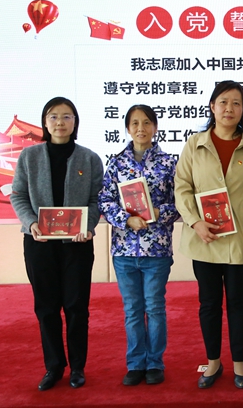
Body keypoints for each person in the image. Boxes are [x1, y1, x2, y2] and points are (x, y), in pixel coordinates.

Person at [175, 81, 243, 390]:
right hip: (204, 239)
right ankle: (213, 361)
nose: (229, 108)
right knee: (209, 303)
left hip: (240, 239)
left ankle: (240, 362)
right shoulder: (195, 144)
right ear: (212, 107)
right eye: (223, 102)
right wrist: (195, 222)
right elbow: (182, 187)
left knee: (239, 302)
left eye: (236, 103)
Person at [10, 97, 103, 391]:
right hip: (39, 243)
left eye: (66, 116)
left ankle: (77, 367)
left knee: (77, 307)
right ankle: (53, 367)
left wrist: (87, 227)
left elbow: (96, 200)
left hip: (77, 244)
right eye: (53, 116)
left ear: (75, 122)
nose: (60, 122)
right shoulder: (29, 157)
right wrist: (31, 223)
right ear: (45, 122)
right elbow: (18, 195)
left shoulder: (89, 158)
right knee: (46, 307)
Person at [98, 105, 179, 386]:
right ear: (127, 128)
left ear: (155, 127)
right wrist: (126, 219)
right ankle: (135, 364)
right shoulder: (116, 163)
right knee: (132, 309)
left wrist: (156, 213)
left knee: (154, 307)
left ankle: (155, 362)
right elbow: (105, 201)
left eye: (146, 122)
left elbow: (180, 203)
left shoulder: (169, 163)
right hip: (123, 250)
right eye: (134, 123)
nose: (140, 128)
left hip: (156, 250)